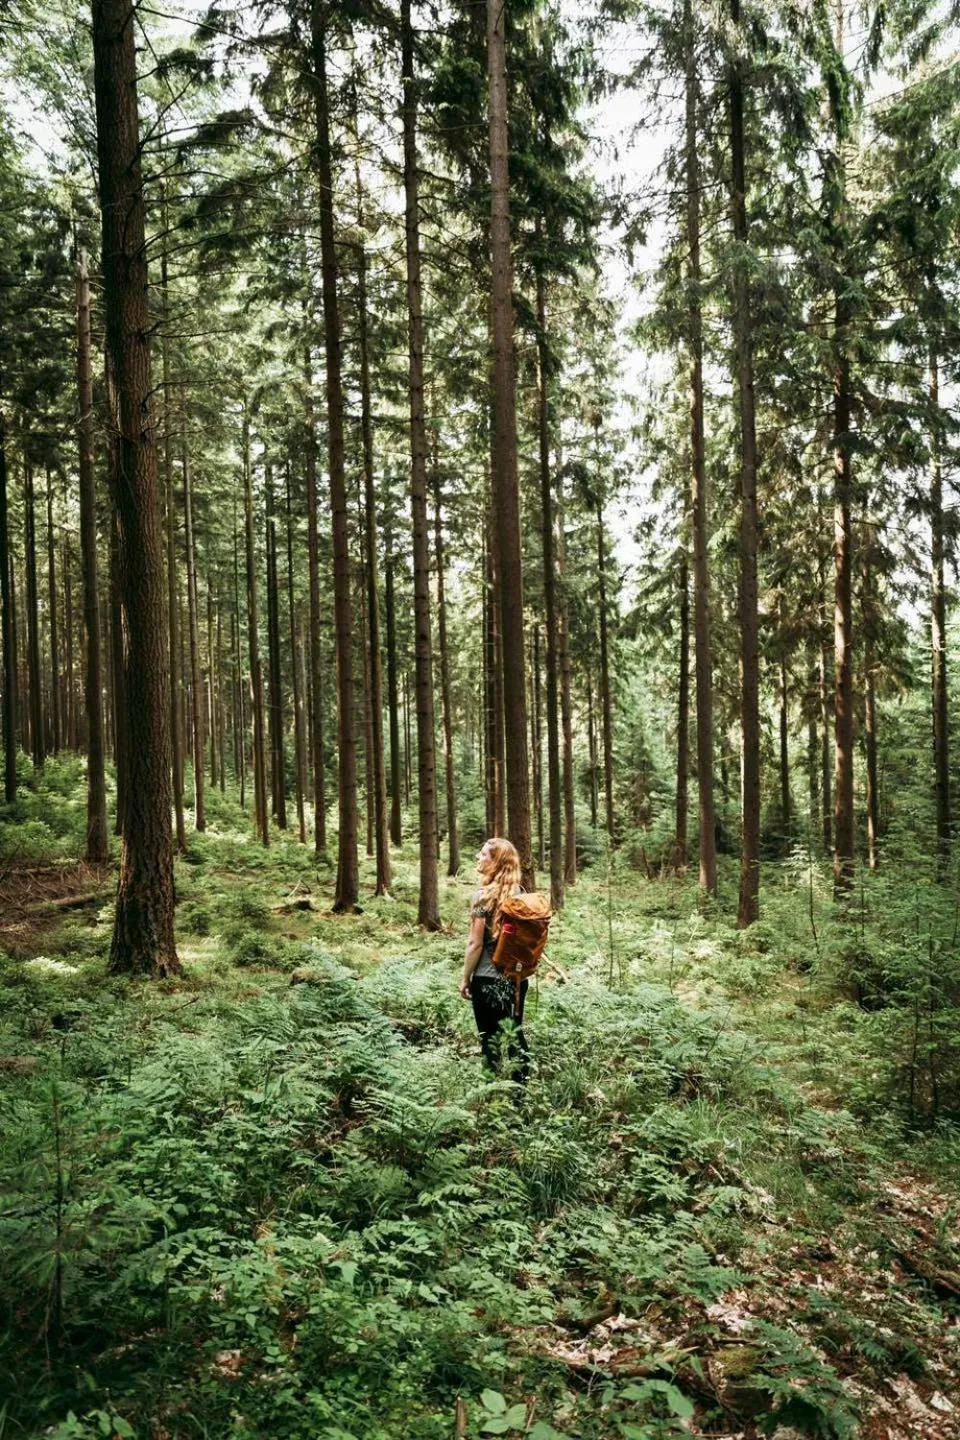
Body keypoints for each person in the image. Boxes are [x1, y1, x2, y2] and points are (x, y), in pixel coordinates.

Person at [460, 836, 531, 1085]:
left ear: (496, 862)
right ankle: (519, 1094)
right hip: (517, 980)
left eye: (483, 854)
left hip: (487, 980)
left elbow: (475, 943)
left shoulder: (482, 898)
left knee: (488, 1039)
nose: (478, 858)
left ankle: (489, 1095)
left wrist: (465, 977)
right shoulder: (520, 895)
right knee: (513, 1035)